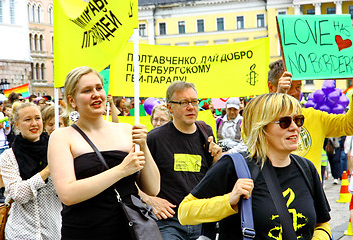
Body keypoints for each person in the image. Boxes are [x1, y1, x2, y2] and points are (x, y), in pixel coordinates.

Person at [179, 93, 331, 240]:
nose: (294, 127)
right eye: (284, 122)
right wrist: (228, 201)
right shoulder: (234, 166)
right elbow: (185, 212)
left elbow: (322, 223)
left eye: (298, 120)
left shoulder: (306, 168)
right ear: (262, 128)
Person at [48, 66, 160, 240]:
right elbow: (68, 194)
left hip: (128, 229)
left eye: (99, 88)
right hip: (84, 232)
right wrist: (121, 170)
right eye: (87, 90)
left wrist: (143, 146)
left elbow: (153, 188)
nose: (96, 94)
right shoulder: (62, 137)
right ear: (72, 100)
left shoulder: (127, 130)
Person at [142, 81, 222, 240]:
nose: (191, 107)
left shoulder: (205, 131)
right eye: (184, 102)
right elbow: (131, 180)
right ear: (169, 107)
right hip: (169, 222)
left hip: (201, 219)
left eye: (194, 101)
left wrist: (217, 160)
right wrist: (149, 199)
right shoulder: (154, 139)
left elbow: (210, 177)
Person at [268, 59, 353, 177]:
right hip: (275, 193)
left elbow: (349, 125)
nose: (293, 92)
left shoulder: (314, 116)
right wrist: (279, 98)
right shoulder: (259, 118)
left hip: (310, 193)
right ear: (271, 87)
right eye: (288, 86)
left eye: (298, 87)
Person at [0, 102, 61, 239]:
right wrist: (47, 170)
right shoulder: (9, 156)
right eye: (27, 119)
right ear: (17, 125)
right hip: (21, 232)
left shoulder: (57, 149)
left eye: (37, 118)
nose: (34, 123)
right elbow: (19, 194)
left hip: (54, 232)